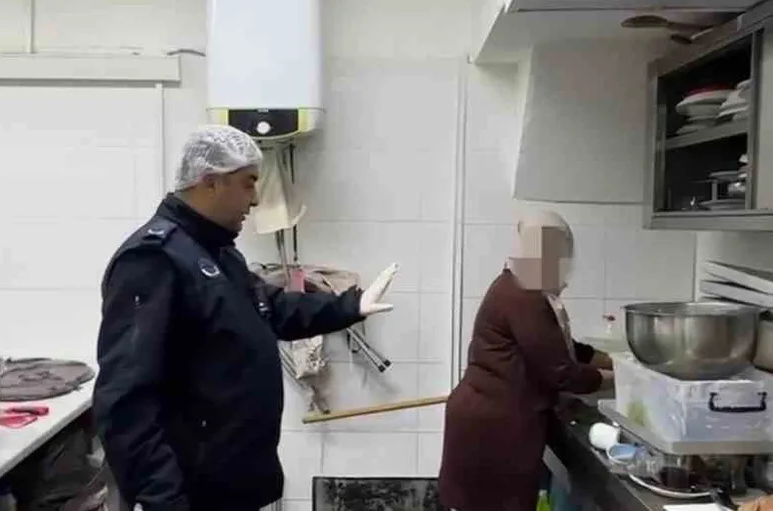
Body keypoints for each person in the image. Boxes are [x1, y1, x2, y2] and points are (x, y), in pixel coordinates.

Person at [92, 125, 399, 511]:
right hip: (188, 495)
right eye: (248, 183)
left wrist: (348, 307)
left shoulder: (216, 252)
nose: (255, 200)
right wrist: (162, 499)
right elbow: (126, 401)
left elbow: (271, 308)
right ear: (211, 183)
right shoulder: (154, 260)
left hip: (230, 485)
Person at [438, 209, 613, 511]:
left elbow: (562, 347)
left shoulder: (517, 286)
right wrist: (622, 379)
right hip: (492, 431)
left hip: (490, 421)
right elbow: (561, 372)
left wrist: (613, 361)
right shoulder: (523, 295)